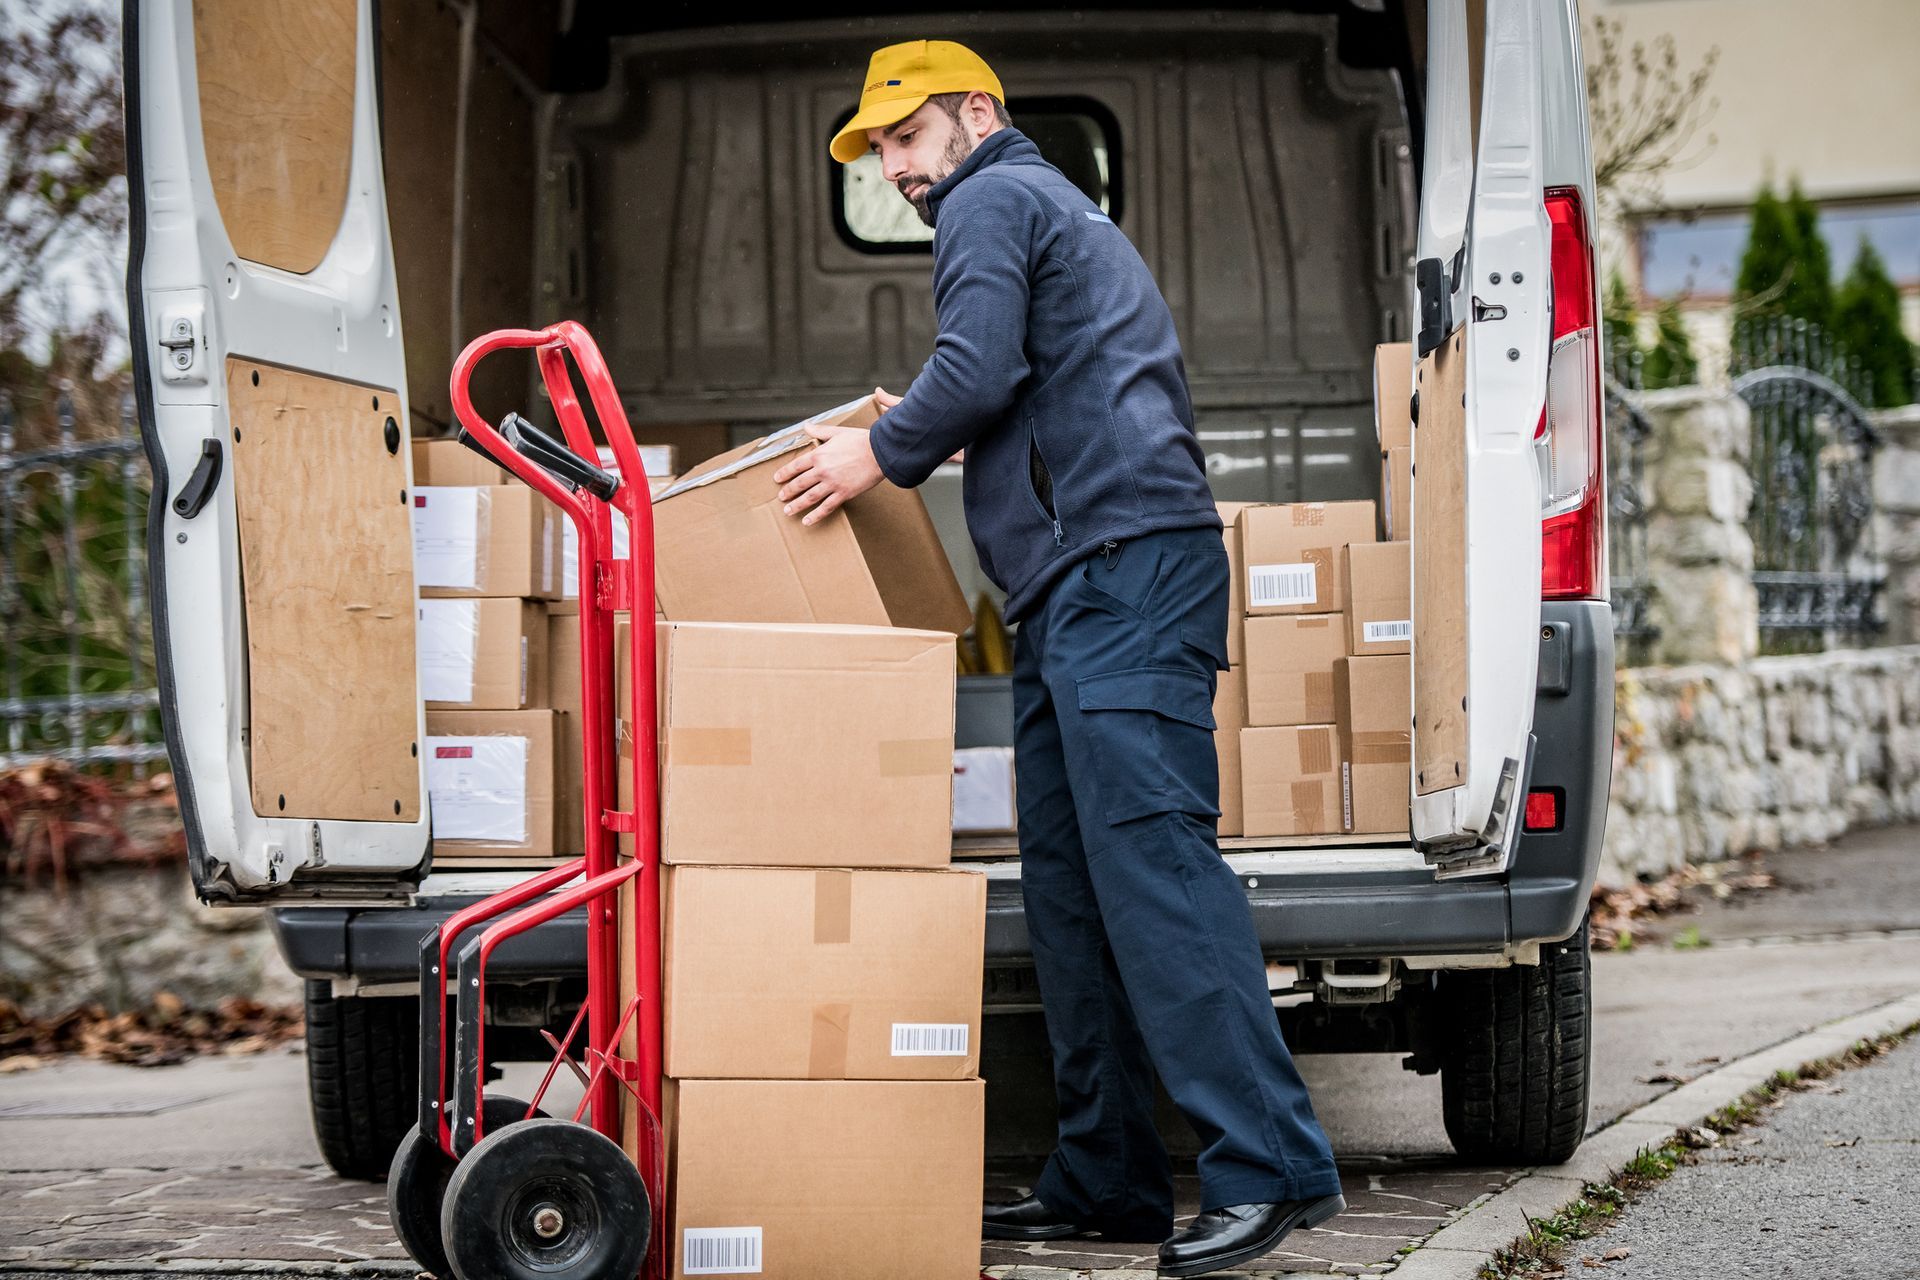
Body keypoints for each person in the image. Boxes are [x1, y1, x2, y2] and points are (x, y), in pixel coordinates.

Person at [774, 38, 1345, 1280]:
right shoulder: (1032, 208)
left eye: (908, 136)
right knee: (1074, 889)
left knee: (1156, 871)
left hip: (1123, 571)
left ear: (975, 115)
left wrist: (878, 452)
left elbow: (976, 371)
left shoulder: (994, 197)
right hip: (1070, 588)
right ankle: (1106, 1174)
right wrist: (924, 421)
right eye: (881, 149)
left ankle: (1274, 1167)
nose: (899, 168)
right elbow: (1013, 381)